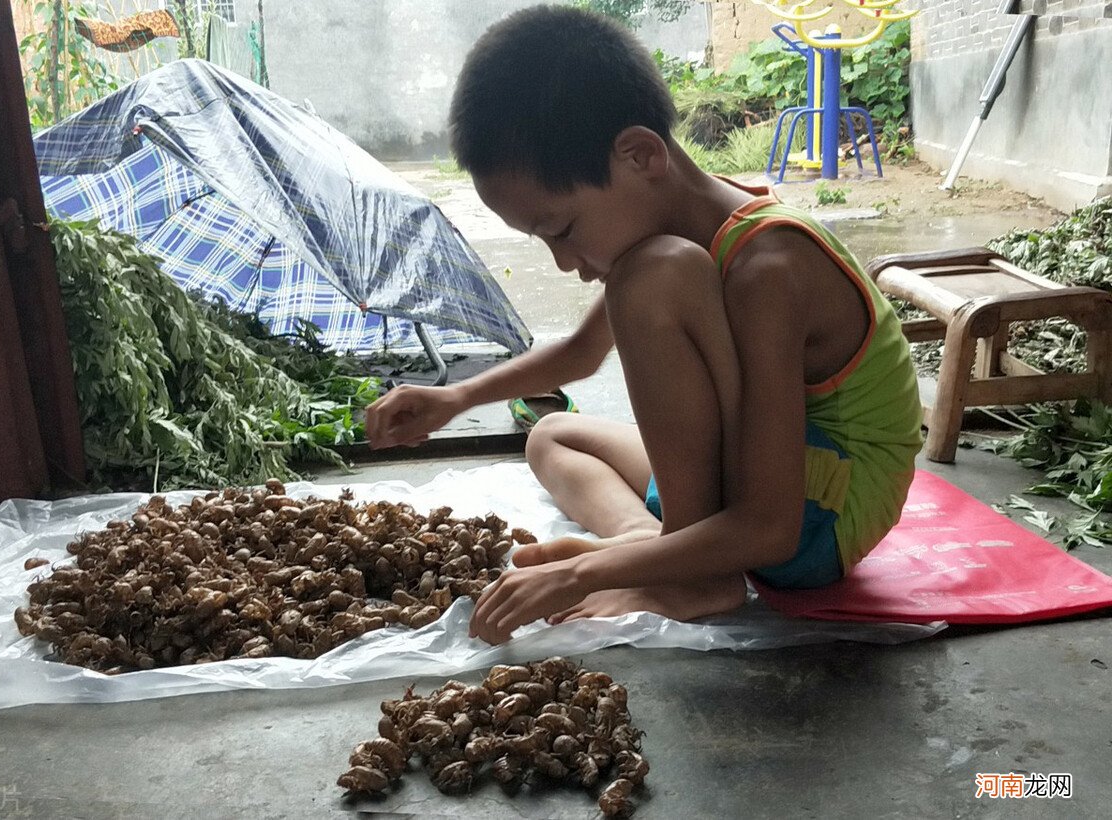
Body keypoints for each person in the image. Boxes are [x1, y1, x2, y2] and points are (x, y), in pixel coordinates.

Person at [365, 4, 923, 645]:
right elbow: (579, 354)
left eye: (563, 231)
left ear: (639, 155)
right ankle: (652, 541)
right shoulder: (672, 224)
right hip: (761, 487)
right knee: (552, 434)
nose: (567, 264)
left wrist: (583, 575)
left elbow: (769, 528)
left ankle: (693, 574)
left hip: (820, 516)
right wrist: (453, 398)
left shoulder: (768, 265)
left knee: (647, 276)